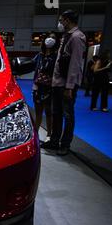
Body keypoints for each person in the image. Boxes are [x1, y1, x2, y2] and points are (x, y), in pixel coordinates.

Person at [41, 9, 86, 156]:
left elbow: (75, 64)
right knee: (56, 113)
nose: (60, 23)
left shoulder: (77, 37)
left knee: (68, 115)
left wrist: (70, 86)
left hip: (67, 85)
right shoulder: (66, 36)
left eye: (61, 20)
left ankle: (65, 144)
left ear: (67, 20)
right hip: (58, 82)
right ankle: (54, 140)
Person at [32, 32, 58, 140]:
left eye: (53, 38)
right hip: (38, 86)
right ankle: (36, 133)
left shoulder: (56, 56)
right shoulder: (40, 55)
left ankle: (49, 135)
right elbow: (33, 67)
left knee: (48, 112)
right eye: (48, 37)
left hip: (50, 87)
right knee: (38, 111)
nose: (50, 39)